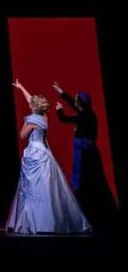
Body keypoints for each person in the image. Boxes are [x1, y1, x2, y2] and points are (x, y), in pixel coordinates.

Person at [6, 80, 90, 234]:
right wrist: (21, 88)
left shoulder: (32, 119)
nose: (29, 103)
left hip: (34, 154)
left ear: (33, 107)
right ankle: (50, 221)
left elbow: (22, 135)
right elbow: (31, 99)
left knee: (33, 189)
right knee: (46, 188)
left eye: (31, 104)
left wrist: (27, 121)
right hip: (44, 153)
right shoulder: (44, 116)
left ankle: (37, 222)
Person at [53, 81, 118, 229]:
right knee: (91, 181)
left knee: (88, 182)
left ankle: (93, 213)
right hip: (87, 153)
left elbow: (64, 119)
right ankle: (92, 210)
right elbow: (74, 104)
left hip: (86, 156)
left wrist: (59, 110)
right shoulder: (87, 112)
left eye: (77, 100)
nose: (75, 102)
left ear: (80, 103)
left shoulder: (85, 116)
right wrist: (61, 92)